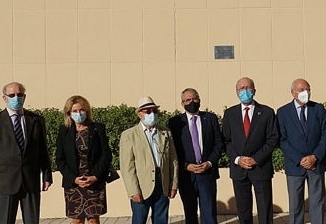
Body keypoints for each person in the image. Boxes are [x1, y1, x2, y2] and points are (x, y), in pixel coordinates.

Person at [0, 82, 53, 224]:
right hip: (4, 183)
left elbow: (42, 150)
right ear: (4, 98)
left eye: (19, 95)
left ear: (24, 96)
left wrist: (47, 175)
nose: (16, 98)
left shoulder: (36, 120)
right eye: (12, 95)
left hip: (30, 181)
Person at [222, 77, 279, 224]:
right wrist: (238, 159)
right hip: (239, 169)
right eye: (241, 88)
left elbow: (272, 139)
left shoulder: (267, 112)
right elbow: (225, 141)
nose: (245, 91)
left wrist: (256, 158)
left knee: (265, 208)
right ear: (236, 92)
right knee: (243, 209)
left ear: (254, 90)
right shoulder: (230, 114)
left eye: (248, 87)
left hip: (261, 168)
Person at [276, 79, 326, 224]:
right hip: (295, 166)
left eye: (308, 89)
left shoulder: (318, 109)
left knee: (317, 202)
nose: (305, 92)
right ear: (293, 93)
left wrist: (315, 156)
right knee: (295, 205)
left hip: (316, 164)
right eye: (301, 90)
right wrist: (300, 159)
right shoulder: (283, 112)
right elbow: (282, 139)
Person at [119, 96, 179, 224]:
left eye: (154, 111)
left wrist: (173, 184)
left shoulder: (165, 132)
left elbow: (173, 160)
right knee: (139, 219)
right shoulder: (129, 135)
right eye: (148, 111)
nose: (152, 114)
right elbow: (127, 167)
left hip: (162, 182)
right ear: (139, 114)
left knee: (161, 219)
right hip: (141, 184)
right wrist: (133, 190)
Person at [167, 88, 223, 224]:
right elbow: (172, 150)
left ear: (199, 100)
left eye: (194, 98)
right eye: (187, 100)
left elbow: (219, 144)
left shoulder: (210, 118)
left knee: (209, 213)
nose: (192, 102)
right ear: (182, 103)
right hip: (187, 176)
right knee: (190, 213)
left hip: (207, 173)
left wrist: (209, 162)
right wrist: (186, 166)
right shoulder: (175, 123)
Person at [55, 95, 112, 224]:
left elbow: (106, 155)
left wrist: (95, 176)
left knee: (93, 219)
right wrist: (74, 178)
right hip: (74, 182)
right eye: (74, 111)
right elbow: (60, 160)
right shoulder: (64, 131)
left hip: (94, 181)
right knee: (77, 220)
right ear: (69, 113)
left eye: (82, 110)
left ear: (87, 111)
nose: (79, 113)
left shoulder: (97, 128)